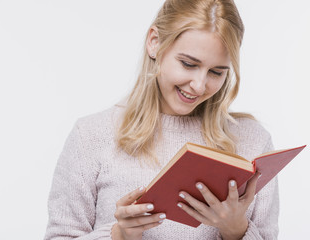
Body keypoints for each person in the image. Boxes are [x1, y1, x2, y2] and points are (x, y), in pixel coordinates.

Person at [44, 0, 279, 239]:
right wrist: (118, 235)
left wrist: (237, 231)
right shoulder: (91, 136)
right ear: (154, 42)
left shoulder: (253, 141)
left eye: (216, 72)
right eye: (188, 64)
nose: (199, 86)